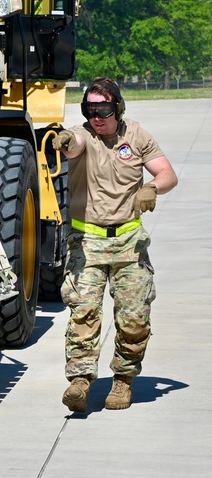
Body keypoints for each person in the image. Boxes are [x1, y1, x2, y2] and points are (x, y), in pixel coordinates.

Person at [53, 77, 178, 412]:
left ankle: (123, 381)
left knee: (134, 318)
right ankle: (80, 381)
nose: (97, 117)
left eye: (104, 109)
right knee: (84, 312)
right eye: (91, 110)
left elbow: (167, 174)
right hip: (87, 241)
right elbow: (74, 142)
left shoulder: (136, 136)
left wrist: (153, 187)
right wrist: (65, 139)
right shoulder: (83, 136)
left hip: (129, 242)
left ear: (118, 108)